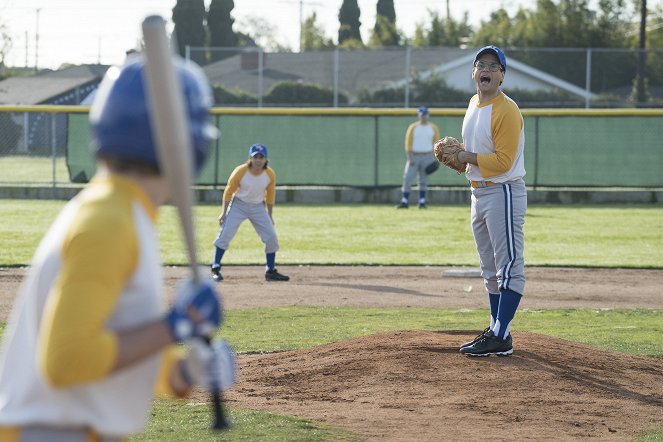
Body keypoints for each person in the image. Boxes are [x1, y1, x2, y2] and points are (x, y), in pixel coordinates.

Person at [0, 56, 235, 440]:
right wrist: (176, 324)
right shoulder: (110, 221)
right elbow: (67, 360)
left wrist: (182, 372)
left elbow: (110, 340)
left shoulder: (118, 210)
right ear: (187, 144)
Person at [455, 45, 527, 357]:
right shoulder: (473, 103)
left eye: (494, 66)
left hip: (503, 190)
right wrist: (460, 160)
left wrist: (466, 156)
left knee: (508, 264)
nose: (487, 69)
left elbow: (504, 161)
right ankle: (500, 331)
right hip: (478, 191)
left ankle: (498, 333)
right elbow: (476, 153)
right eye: (481, 64)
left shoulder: (506, 109)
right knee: (490, 267)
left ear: (502, 77)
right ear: (473, 73)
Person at [211, 143, 289, 282]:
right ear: (250, 158)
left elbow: (270, 195)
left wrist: (270, 215)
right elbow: (228, 191)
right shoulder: (241, 171)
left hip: (258, 207)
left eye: (261, 157)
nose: (258, 160)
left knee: (271, 236)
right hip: (238, 205)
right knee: (226, 233)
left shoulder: (269, 174)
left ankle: (270, 271)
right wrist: (223, 213)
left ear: (266, 159)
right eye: (255, 157)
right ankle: (215, 267)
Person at [396, 106, 440, 209]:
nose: (423, 116)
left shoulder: (433, 128)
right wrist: (410, 156)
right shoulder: (413, 127)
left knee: (423, 180)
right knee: (407, 178)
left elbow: (436, 143)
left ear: (428, 115)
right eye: (421, 115)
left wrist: (435, 158)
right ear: (419, 115)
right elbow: (408, 143)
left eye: (425, 114)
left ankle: (422, 202)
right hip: (414, 155)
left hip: (427, 155)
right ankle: (405, 201)